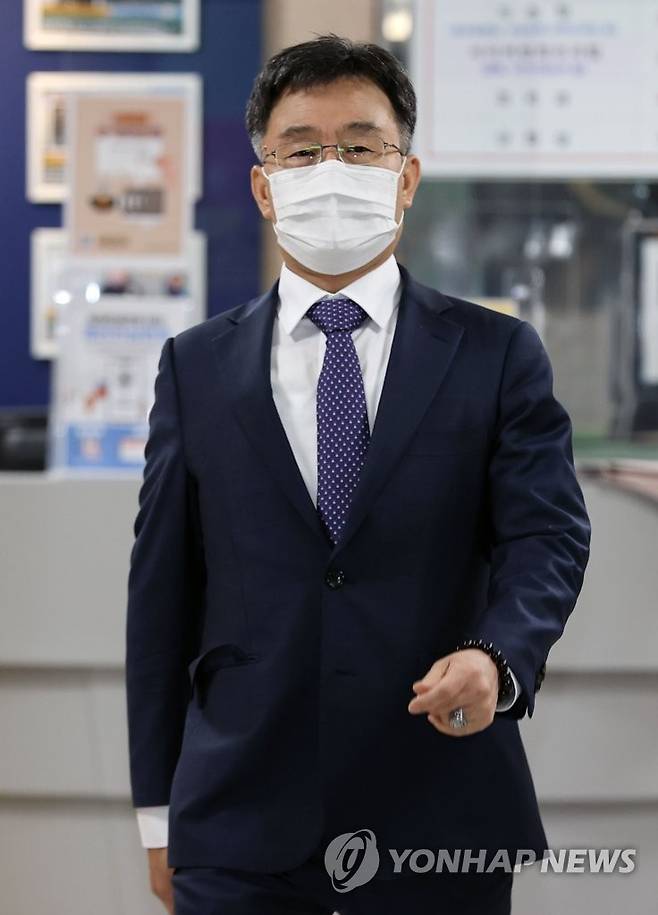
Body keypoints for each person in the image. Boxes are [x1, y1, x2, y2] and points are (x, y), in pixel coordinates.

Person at [125, 35, 591, 915]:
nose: (331, 170)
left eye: (362, 146)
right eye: (301, 150)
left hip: (438, 804)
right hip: (240, 816)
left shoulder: (495, 353)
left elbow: (548, 535)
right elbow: (160, 600)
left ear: (406, 178)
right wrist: (158, 812)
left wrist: (498, 655)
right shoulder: (195, 366)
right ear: (263, 186)